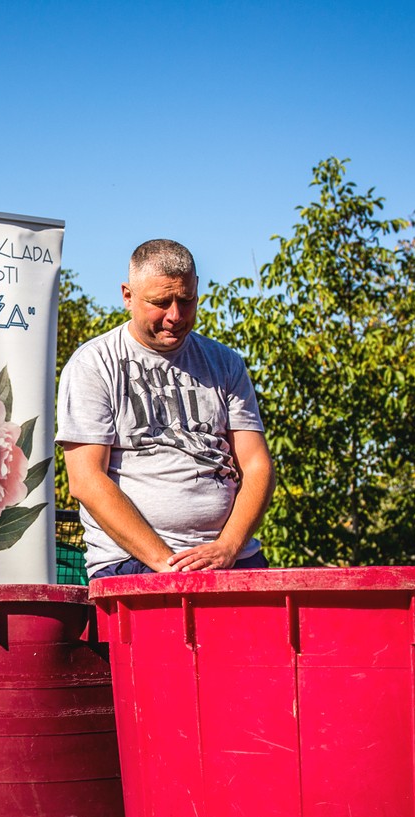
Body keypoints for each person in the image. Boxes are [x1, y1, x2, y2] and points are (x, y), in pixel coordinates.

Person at [57, 238, 274, 578]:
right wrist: (166, 563)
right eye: (160, 302)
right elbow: (86, 480)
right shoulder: (95, 363)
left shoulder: (225, 362)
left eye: (186, 300)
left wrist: (229, 547)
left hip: (232, 558)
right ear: (128, 296)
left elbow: (257, 465)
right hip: (133, 562)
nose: (175, 315)